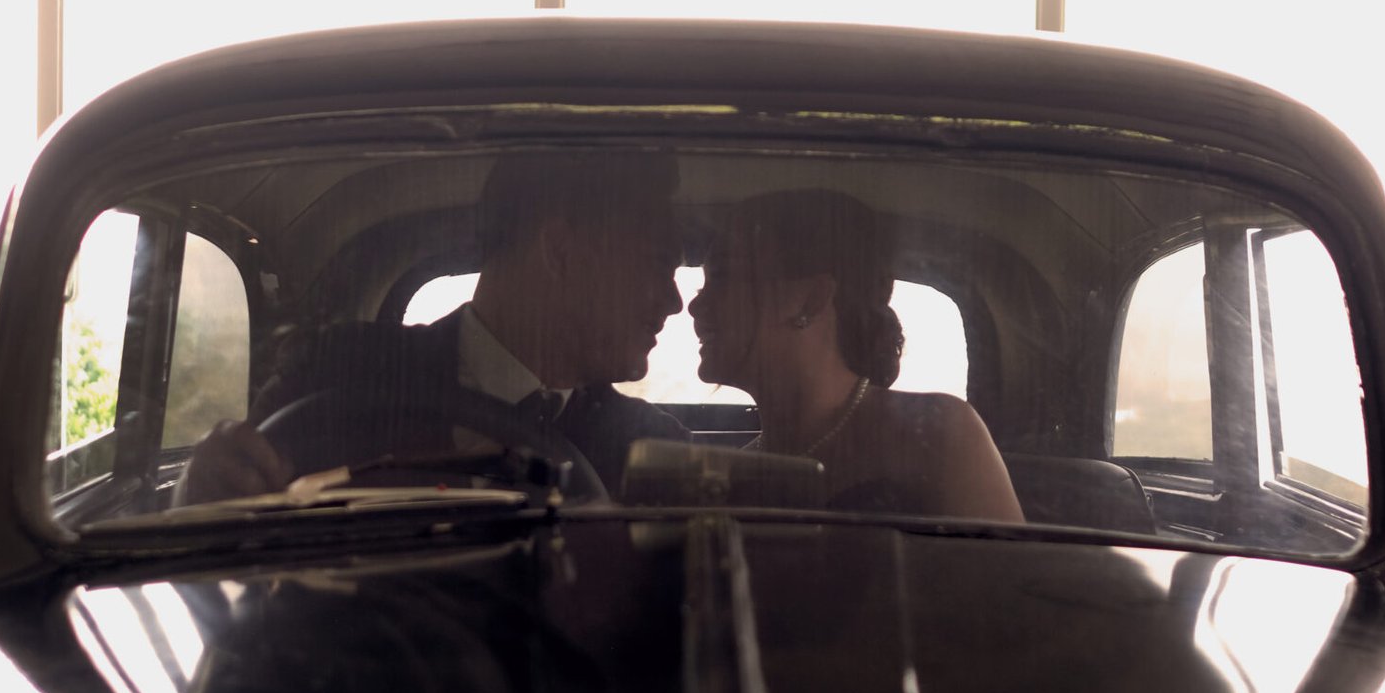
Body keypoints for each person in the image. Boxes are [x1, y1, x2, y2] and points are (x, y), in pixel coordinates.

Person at [179, 148, 687, 503]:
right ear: (559, 251)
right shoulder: (335, 372)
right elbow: (232, 543)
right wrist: (203, 490)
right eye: (658, 262)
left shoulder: (651, 450)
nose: (674, 300)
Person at [688, 189, 1022, 522]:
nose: (695, 305)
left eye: (722, 277)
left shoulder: (939, 435)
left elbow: (1007, 558)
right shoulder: (733, 472)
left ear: (812, 299)